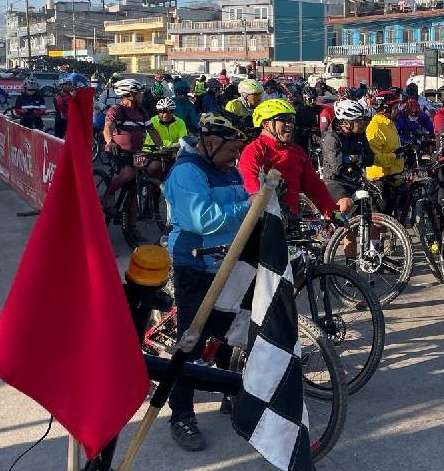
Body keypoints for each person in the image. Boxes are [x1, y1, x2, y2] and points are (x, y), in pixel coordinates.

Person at [163, 113, 250, 451]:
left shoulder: (228, 169)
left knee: (231, 333)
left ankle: (229, 393)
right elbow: (204, 219)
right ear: (210, 144)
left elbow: (242, 205)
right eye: (232, 149)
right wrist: (249, 206)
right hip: (196, 264)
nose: (236, 156)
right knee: (192, 343)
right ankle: (181, 415)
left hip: (229, 262)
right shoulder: (187, 172)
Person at [238, 99, 337, 218]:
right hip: (265, 222)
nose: (290, 124)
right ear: (266, 124)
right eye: (283, 120)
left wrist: (331, 212)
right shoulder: (254, 150)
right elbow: (251, 188)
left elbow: (314, 185)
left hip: (291, 220)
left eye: (291, 120)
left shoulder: (296, 150)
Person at [103, 79, 164, 243]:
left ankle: (132, 228)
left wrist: (161, 147)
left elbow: (152, 131)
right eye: (140, 92)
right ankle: (109, 195)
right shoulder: (117, 110)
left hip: (136, 153)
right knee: (128, 173)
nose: (143, 95)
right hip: (118, 151)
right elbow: (108, 127)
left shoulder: (142, 112)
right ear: (130, 94)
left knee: (136, 187)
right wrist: (110, 142)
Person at [321, 99, 374, 215]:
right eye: (358, 121)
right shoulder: (332, 138)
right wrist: (355, 159)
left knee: (369, 212)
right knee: (346, 204)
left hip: (355, 179)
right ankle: (335, 227)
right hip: (335, 181)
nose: (362, 124)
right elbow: (338, 168)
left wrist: (353, 159)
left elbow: (370, 158)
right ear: (346, 123)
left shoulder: (360, 133)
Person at [365, 90, 406, 216]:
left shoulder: (389, 124)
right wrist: (395, 156)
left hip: (393, 174)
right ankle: (375, 237)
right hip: (380, 178)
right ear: (385, 109)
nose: (398, 110)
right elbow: (375, 158)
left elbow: (391, 147)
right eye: (395, 108)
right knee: (379, 221)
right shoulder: (375, 127)